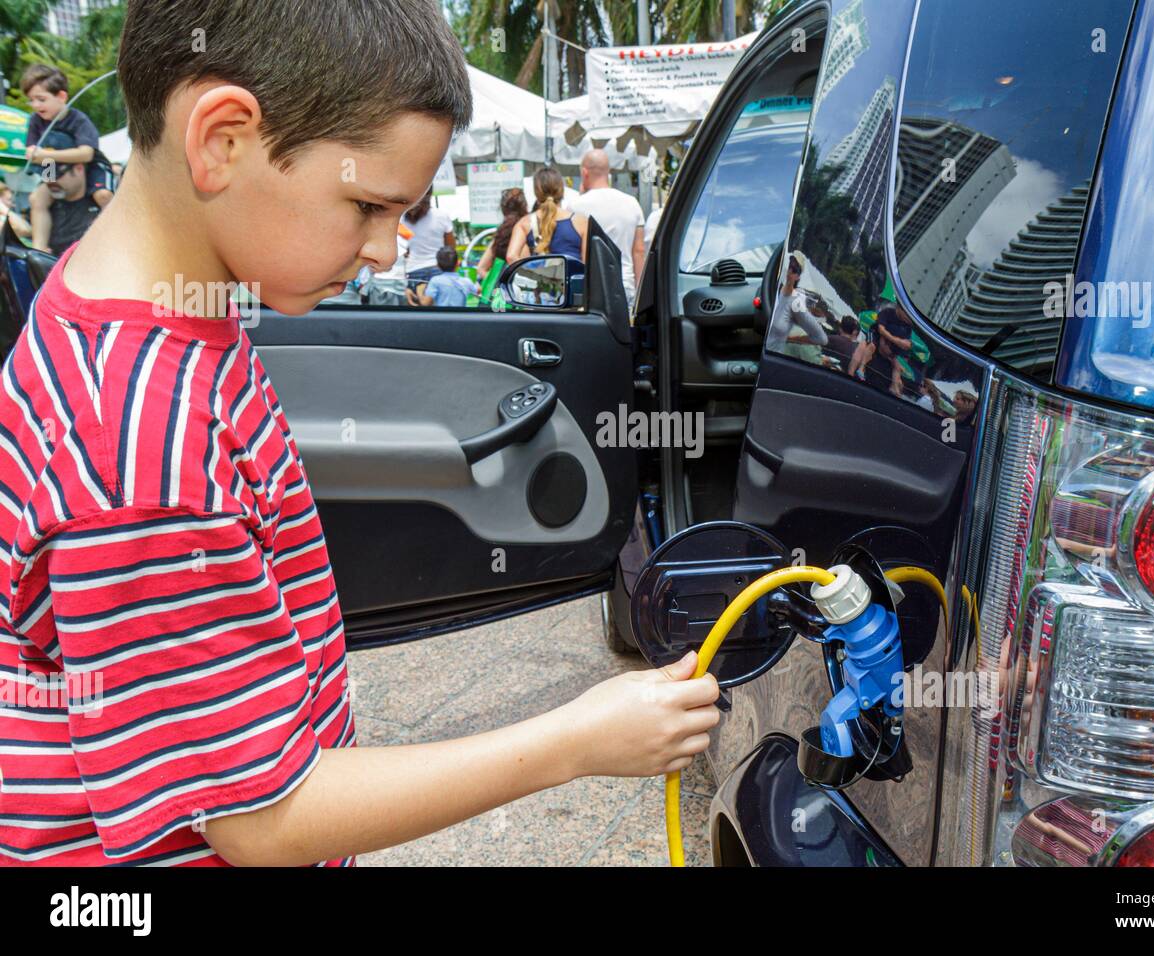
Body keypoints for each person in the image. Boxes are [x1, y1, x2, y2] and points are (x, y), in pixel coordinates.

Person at [0, 0, 718, 869]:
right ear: (223, 140)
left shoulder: (134, 310)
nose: (389, 248)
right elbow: (262, 820)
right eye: (371, 204)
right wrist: (574, 742)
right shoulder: (142, 438)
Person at [20, 64, 115, 253]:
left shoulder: (78, 119)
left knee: (104, 196)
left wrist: (46, 154)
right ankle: (39, 250)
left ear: (61, 96)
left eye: (41, 99)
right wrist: (36, 155)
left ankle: (114, 239)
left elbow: (86, 153)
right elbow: (31, 150)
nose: (36, 105)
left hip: (89, 166)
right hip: (51, 166)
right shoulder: (35, 121)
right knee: (36, 199)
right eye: (31, 100)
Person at [568, 148, 645, 306]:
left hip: (593, 287)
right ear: (608, 171)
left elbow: (575, 251)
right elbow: (639, 251)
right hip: (626, 284)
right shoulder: (632, 203)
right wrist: (641, 292)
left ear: (584, 172)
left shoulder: (575, 206)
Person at [3, 155, 105, 257]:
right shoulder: (42, 203)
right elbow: (23, 229)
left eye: (56, 175)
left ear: (79, 169)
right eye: (46, 177)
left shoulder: (100, 200)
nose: (50, 182)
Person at [507, 166, 588, 269]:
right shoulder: (581, 221)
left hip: (540, 283)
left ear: (536, 192)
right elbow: (588, 263)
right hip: (574, 283)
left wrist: (529, 273)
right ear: (561, 189)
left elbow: (511, 256)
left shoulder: (525, 223)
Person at [765, 251, 828, 351]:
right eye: (790, 265)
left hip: (771, 354)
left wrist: (792, 339)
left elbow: (821, 338)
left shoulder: (795, 303)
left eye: (794, 269)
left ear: (798, 276)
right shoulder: (772, 286)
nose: (790, 271)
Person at [402, 185, 455, 283]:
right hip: (438, 268)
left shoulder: (403, 219)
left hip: (413, 270)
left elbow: (404, 249)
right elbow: (450, 247)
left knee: (415, 298)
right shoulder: (441, 216)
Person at [476, 186, 528, 285]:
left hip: (499, 297)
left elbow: (481, 268)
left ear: (503, 209)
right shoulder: (525, 232)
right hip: (520, 296)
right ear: (525, 207)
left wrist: (499, 285)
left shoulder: (500, 236)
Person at [407, 246, 478, 307]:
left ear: (437, 265)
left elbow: (426, 303)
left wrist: (420, 290)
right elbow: (477, 291)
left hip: (442, 317)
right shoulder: (466, 281)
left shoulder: (435, 281)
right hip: (461, 317)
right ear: (458, 263)